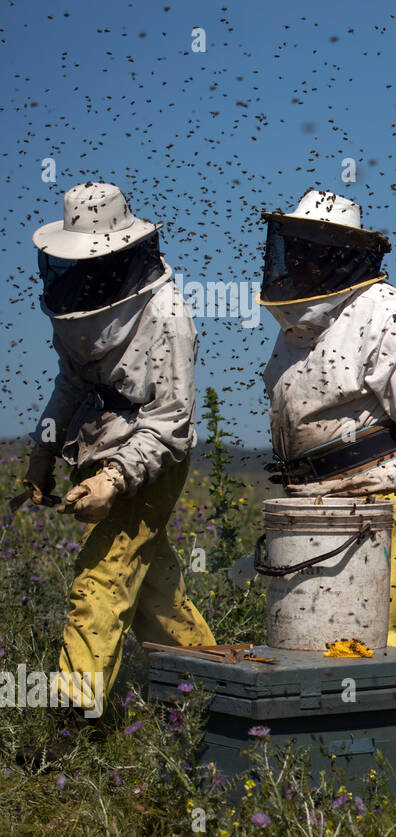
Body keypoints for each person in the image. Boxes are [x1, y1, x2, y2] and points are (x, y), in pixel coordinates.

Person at [25, 181, 213, 743]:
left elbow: (169, 421)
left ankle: (71, 728)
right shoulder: (79, 306)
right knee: (154, 593)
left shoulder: (168, 314)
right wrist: (42, 453)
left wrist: (114, 477)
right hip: (96, 445)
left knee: (100, 580)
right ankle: (215, 685)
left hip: (150, 457)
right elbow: (71, 384)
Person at [259, 189, 396, 646]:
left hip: (378, 499)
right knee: (308, 633)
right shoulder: (296, 326)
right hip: (311, 502)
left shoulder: (383, 310)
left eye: (313, 250)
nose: (300, 260)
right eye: (295, 247)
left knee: (365, 635)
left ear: (341, 255)